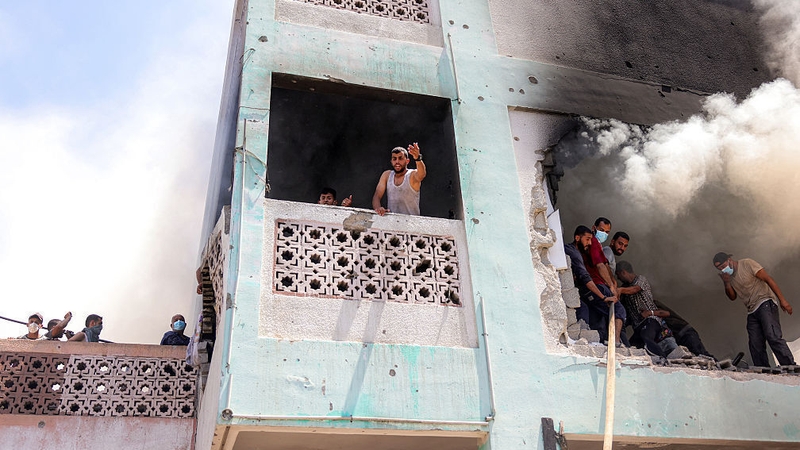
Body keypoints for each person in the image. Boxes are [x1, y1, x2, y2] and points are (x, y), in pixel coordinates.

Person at [713, 252, 795, 367]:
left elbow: (768, 279)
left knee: (772, 335)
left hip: (765, 301)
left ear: (729, 259)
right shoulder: (729, 277)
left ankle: (790, 366)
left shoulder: (747, 263)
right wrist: (726, 282)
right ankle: (763, 369)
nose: (723, 269)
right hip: (752, 310)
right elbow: (732, 297)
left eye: (723, 266)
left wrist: (783, 300)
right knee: (755, 343)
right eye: (719, 269)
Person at [564, 225, 626, 345]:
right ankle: (616, 341)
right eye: (587, 239)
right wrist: (606, 294)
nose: (589, 242)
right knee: (619, 311)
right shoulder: (577, 251)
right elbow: (591, 272)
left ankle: (597, 341)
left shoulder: (580, 251)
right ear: (577, 238)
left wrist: (612, 282)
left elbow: (603, 265)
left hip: (584, 292)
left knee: (595, 316)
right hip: (594, 287)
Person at [615, 261, 679, 357]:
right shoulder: (625, 287)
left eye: (618, 275)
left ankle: (661, 358)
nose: (618, 278)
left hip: (651, 320)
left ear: (623, 272)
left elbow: (635, 289)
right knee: (632, 346)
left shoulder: (640, 279)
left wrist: (620, 290)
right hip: (638, 327)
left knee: (646, 337)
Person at [372, 143, 426, 216]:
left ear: (407, 161)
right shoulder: (387, 175)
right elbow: (377, 196)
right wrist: (378, 209)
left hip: (411, 224)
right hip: (392, 223)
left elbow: (421, 175)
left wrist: (418, 158)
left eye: (400, 158)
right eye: (394, 159)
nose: (397, 162)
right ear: (391, 161)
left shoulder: (411, 175)